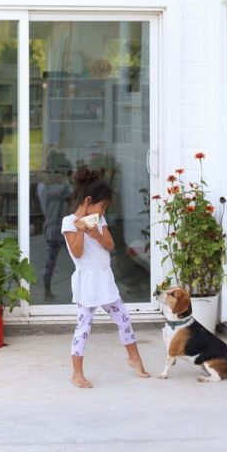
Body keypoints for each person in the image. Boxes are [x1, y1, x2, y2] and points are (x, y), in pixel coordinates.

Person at [61, 166, 150, 388]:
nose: (103, 211)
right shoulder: (69, 222)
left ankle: (134, 358)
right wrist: (81, 230)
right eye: (102, 206)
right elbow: (78, 253)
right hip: (87, 283)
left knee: (124, 318)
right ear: (88, 200)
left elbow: (110, 245)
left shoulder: (99, 221)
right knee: (83, 327)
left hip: (105, 280)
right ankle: (77, 373)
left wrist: (96, 233)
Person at [37, 170, 71, 300]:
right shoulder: (62, 189)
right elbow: (70, 194)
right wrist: (64, 180)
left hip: (51, 229)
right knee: (78, 260)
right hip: (62, 228)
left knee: (50, 261)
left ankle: (47, 290)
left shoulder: (43, 189)